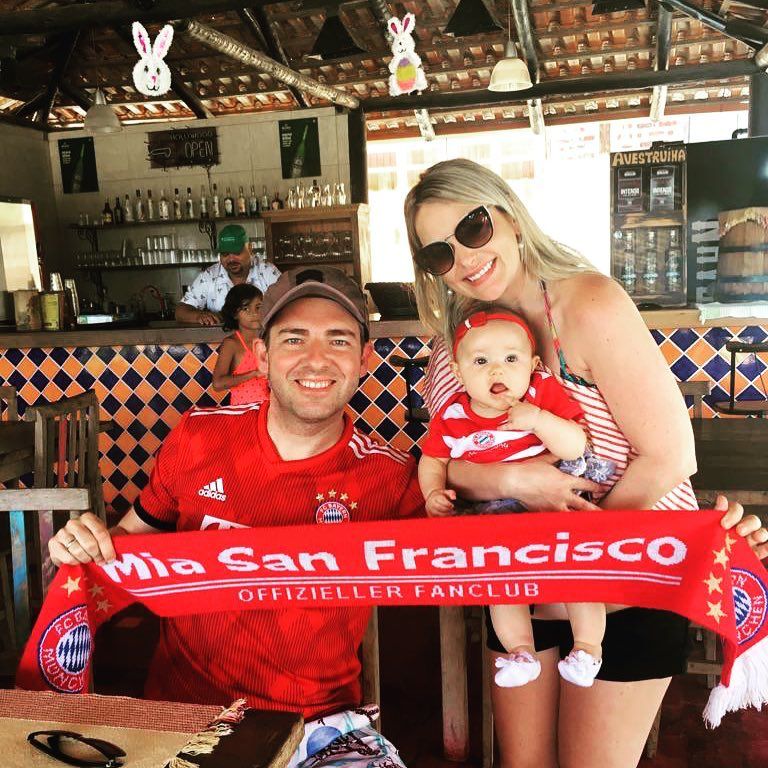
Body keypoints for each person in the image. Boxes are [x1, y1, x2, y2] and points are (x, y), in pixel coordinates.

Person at [404, 158, 768, 768]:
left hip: (629, 585)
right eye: (439, 253)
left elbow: (672, 456)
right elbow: (449, 463)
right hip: (521, 589)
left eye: (472, 229)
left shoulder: (587, 303)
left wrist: (576, 555)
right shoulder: (456, 346)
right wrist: (518, 480)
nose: (464, 259)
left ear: (511, 218)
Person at [50, 266, 424, 768]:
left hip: (321, 729)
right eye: (294, 339)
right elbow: (128, 539)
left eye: (338, 340)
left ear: (364, 357)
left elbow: (486, 553)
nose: (316, 359)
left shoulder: (391, 474)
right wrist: (83, 544)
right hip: (184, 719)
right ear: (263, 356)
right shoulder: (200, 438)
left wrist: (510, 479)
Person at [419, 304, 612, 690]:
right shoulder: (452, 415)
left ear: (532, 364)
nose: (497, 370)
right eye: (481, 361)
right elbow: (432, 459)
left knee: (576, 574)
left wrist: (539, 420)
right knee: (501, 585)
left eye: (511, 359)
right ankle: (521, 652)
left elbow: (576, 445)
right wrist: (432, 494)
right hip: (498, 517)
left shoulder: (541, 394)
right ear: (458, 373)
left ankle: (588, 648)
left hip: (555, 503)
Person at [175, 224, 280, 326]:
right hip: (221, 341)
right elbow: (180, 311)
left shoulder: (267, 272)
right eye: (225, 254)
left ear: (250, 248)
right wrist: (199, 316)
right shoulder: (210, 276)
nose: (231, 259)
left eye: (237, 252)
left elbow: (289, 305)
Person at [212, 283, 269, 405]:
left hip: (268, 411)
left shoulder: (267, 340)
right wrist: (254, 373)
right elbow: (218, 384)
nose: (254, 313)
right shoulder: (232, 344)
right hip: (242, 412)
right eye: (246, 308)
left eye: (258, 307)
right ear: (234, 314)